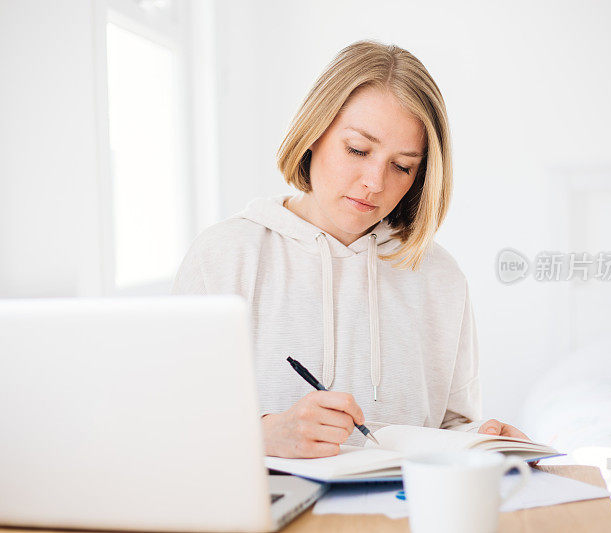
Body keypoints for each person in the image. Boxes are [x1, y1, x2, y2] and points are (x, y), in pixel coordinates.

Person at [172, 40, 534, 459]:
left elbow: (451, 426)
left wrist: (484, 440)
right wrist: (264, 434)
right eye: (358, 150)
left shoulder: (439, 276)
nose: (376, 183)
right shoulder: (225, 256)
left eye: (402, 166)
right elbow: (171, 423)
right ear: (314, 132)